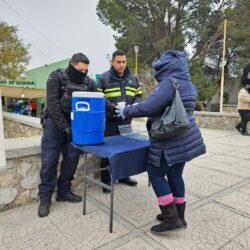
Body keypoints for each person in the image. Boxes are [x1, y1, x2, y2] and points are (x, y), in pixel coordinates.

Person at [115, 50, 206, 234]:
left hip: (169, 138)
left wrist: (127, 110)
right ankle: (179, 216)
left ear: (166, 66)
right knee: (175, 175)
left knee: (155, 173)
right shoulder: (187, 82)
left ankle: (171, 220)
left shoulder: (169, 82)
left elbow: (149, 107)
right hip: (185, 136)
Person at [38, 53, 96, 217]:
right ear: (72, 65)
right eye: (80, 70)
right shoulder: (56, 76)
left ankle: (63, 192)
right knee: (49, 161)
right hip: (54, 125)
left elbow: (99, 99)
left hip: (75, 126)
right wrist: (64, 127)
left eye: (86, 70)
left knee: (71, 159)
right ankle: (45, 199)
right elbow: (53, 104)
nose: (83, 73)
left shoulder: (88, 82)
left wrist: (114, 109)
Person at [97, 50, 142, 193]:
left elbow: (138, 95)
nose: (121, 65)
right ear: (112, 62)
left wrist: (135, 105)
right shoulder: (104, 78)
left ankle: (124, 176)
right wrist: (113, 108)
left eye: (123, 62)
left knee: (125, 151)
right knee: (108, 152)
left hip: (127, 121)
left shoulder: (133, 78)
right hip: (110, 122)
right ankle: (106, 181)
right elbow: (99, 97)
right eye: (118, 62)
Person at [235, 63, 250, 136]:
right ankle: (243, 131)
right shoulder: (242, 91)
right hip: (242, 108)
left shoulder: (248, 91)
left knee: (246, 119)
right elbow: (241, 98)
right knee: (244, 119)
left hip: (247, 108)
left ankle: (238, 126)